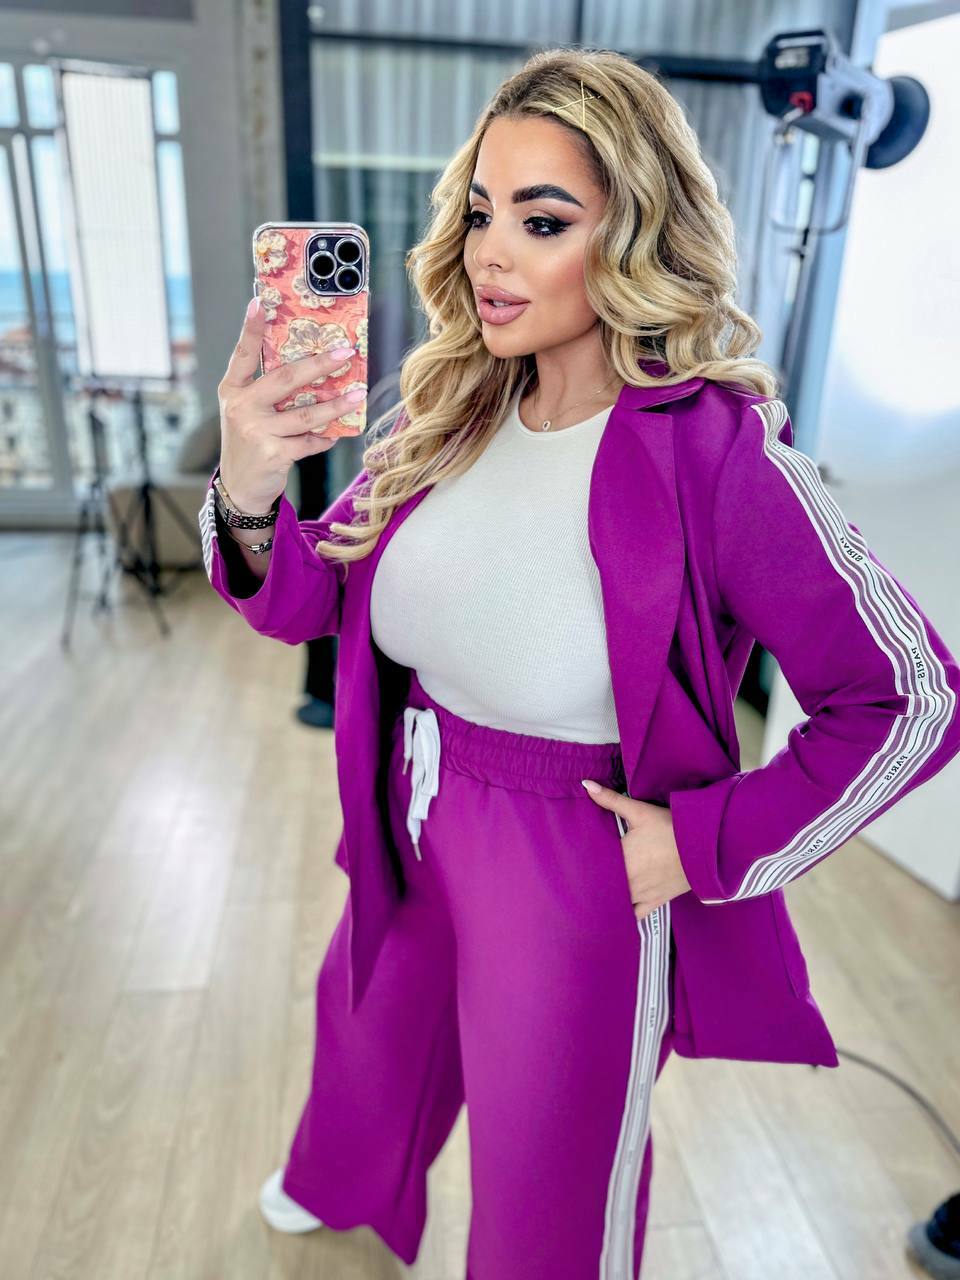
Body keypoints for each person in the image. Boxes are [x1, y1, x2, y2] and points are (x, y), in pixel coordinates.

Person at [199, 48, 960, 1280]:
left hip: (575, 852)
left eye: (543, 221)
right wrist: (248, 479)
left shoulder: (719, 452)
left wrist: (707, 841)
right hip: (418, 796)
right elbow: (309, 600)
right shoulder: (449, 409)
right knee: (371, 1028)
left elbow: (913, 697)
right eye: (481, 213)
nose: (491, 254)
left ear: (636, 236)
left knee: (547, 1172)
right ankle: (336, 1178)